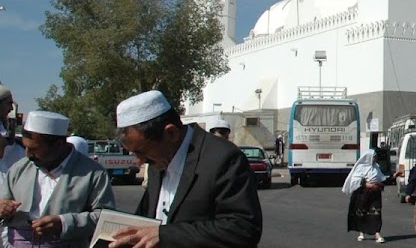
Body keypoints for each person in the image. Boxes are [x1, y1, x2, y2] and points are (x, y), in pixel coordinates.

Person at [108, 90, 262, 248]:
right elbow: (147, 218)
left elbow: (242, 229)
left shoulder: (223, 158)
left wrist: (164, 235)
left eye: (142, 152)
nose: (139, 162)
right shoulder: (157, 160)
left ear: (171, 133)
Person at [0, 110, 115, 247]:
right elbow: (3, 201)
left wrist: (64, 223)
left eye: (34, 149)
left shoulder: (92, 173)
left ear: (59, 145)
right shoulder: (19, 169)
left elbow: (106, 218)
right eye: (26, 147)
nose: (28, 154)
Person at [343, 150, 387, 243]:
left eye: (376, 157)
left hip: (375, 195)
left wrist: (380, 183)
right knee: (362, 213)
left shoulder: (376, 167)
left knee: (376, 214)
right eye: (374, 157)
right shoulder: (360, 168)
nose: (375, 159)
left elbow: (381, 178)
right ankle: (362, 232)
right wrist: (366, 184)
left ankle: (377, 234)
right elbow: (355, 180)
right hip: (362, 194)